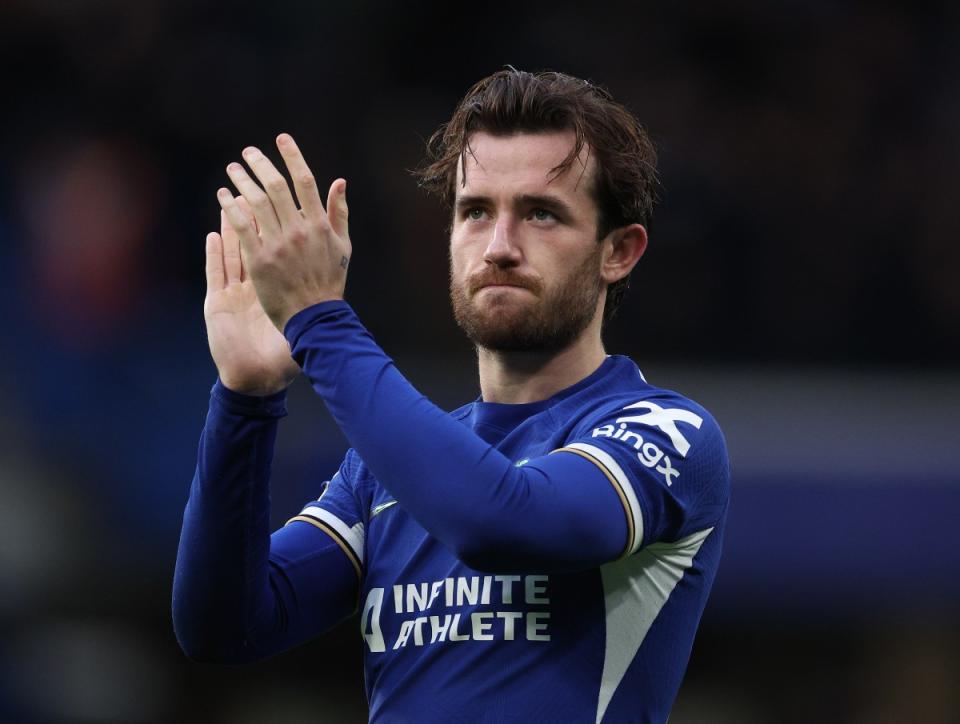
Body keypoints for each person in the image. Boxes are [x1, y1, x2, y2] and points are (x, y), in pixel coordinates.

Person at [173, 68, 730, 724]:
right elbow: (224, 627)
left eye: (541, 214)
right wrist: (245, 400)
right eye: (475, 212)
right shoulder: (384, 472)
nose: (499, 247)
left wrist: (320, 319)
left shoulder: (667, 432)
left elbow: (503, 523)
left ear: (619, 252)